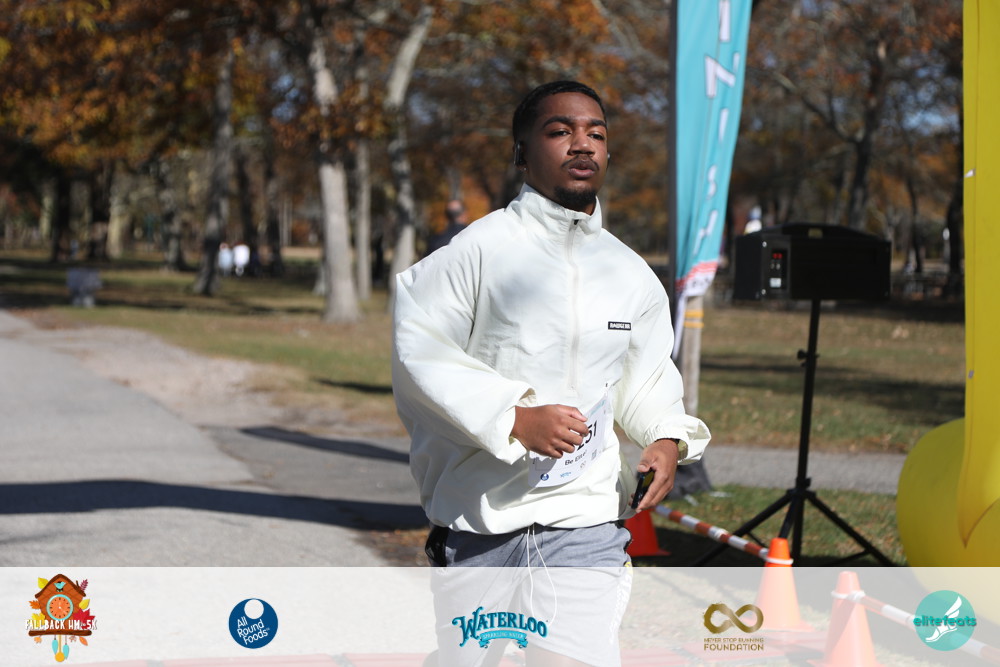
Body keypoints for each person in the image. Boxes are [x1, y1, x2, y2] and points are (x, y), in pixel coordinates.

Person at [392, 80, 710, 666]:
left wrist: (666, 437)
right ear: (522, 152)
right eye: (560, 131)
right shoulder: (477, 251)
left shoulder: (630, 274)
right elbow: (420, 352)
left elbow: (646, 376)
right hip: (481, 518)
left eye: (596, 134)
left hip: (584, 518)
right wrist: (513, 418)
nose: (582, 144)